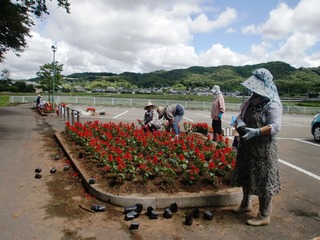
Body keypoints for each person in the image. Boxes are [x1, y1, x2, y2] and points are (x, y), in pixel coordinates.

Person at [231, 68, 282, 226]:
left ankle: (264, 215)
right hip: (247, 146)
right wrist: (239, 121)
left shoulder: (272, 103)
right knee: (246, 174)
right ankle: (245, 203)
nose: (253, 90)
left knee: (263, 180)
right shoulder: (253, 99)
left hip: (263, 149)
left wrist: (257, 131)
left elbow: (276, 126)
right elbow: (241, 113)